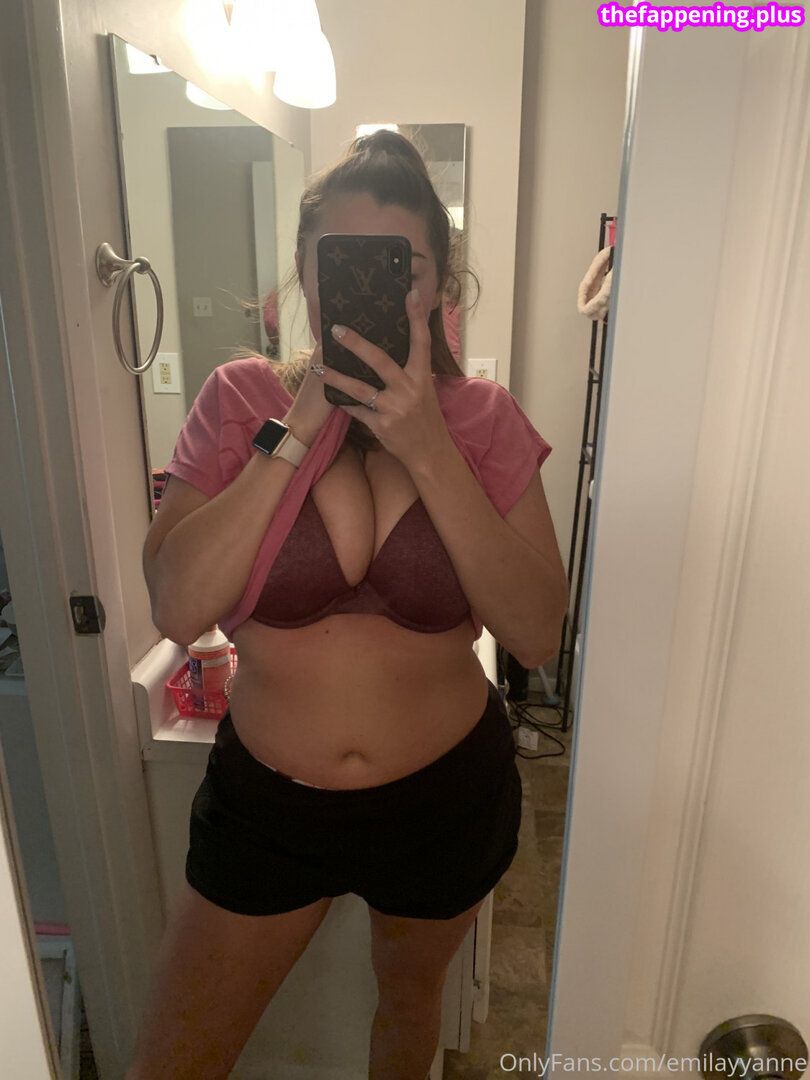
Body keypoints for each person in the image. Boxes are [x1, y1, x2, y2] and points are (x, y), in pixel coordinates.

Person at [133, 131, 568, 1080]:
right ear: (305, 269)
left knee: (407, 1013)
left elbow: (537, 632)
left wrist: (428, 443)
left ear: (437, 285)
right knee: (174, 1061)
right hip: (267, 809)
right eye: (342, 258)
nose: (371, 284)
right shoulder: (239, 397)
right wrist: (301, 424)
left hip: (445, 799)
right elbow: (177, 607)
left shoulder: (484, 418)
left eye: (401, 265)